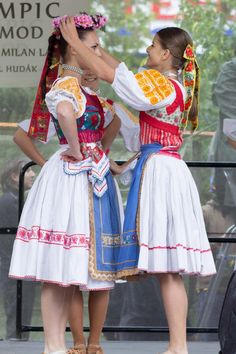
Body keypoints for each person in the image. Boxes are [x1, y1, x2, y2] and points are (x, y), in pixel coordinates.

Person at [59, 20, 217, 354]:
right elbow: (121, 74)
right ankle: (177, 345)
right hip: (162, 165)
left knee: (170, 268)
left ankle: (178, 346)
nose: (147, 49)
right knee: (169, 270)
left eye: (152, 45)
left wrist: (78, 43)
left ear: (164, 54)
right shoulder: (169, 84)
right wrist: (97, 51)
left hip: (162, 172)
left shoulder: (160, 84)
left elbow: (117, 78)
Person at [9, 13, 123, 354]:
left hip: (85, 171)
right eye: (94, 47)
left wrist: (98, 155)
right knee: (59, 259)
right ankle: (56, 344)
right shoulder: (65, 85)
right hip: (72, 174)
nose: (98, 53)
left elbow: (100, 127)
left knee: (64, 261)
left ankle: (58, 344)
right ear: (74, 50)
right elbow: (61, 113)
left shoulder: (81, 90)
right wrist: (74, 149)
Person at [0, 159, 36, 340]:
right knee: (17, 317)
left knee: (21, 316)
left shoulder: (17, 200)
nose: (33, 174)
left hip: (17, 269)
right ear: (15, 176)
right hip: (13, 270)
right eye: (28, 171)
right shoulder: (9, 202)